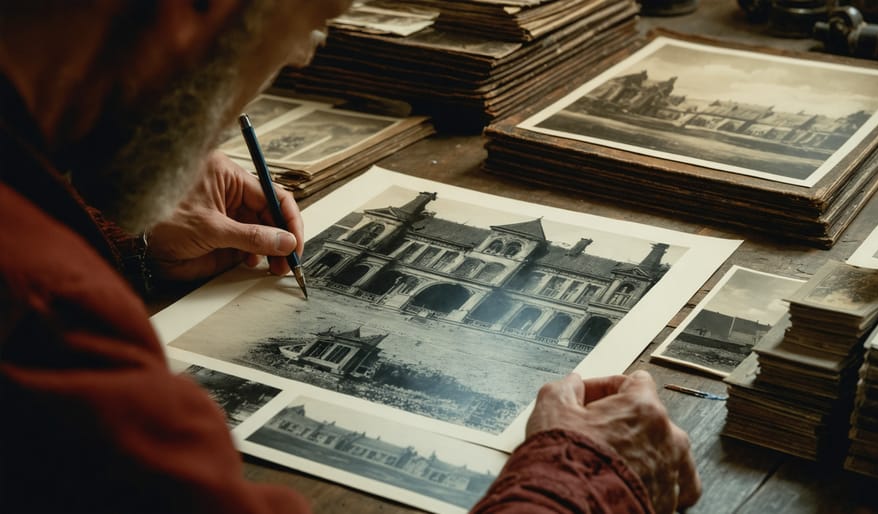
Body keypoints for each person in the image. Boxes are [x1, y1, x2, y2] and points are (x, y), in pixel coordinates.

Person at [0, 1, 701, 513]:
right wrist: (581, 477)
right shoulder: (50, 323)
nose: (302, 58)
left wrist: (128, 233)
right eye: (310, 26)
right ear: (194, 13)